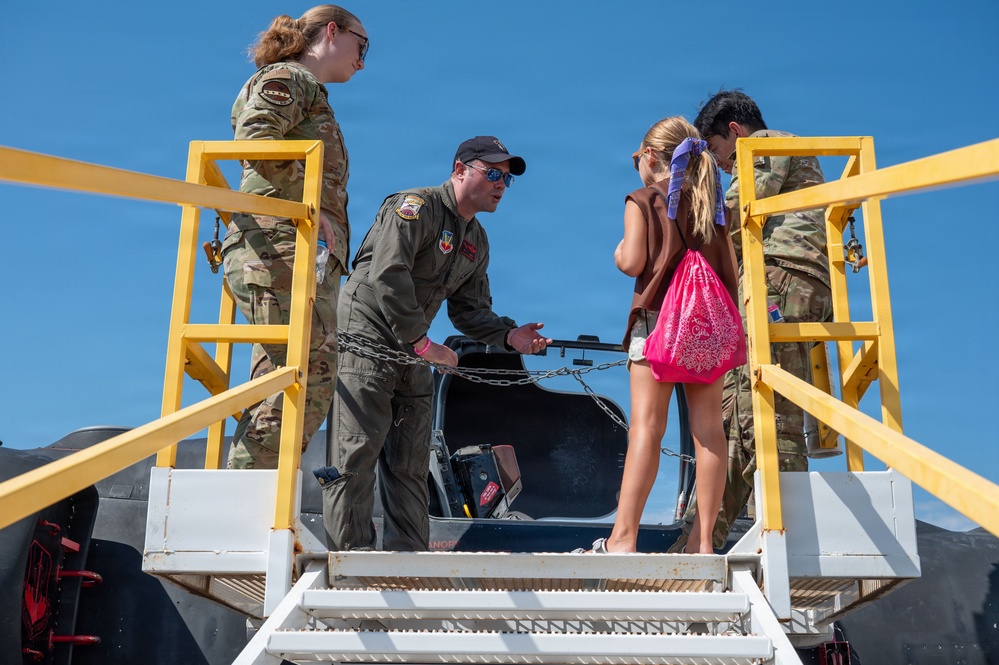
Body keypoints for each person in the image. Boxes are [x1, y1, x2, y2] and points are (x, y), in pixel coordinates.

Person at [319, 136, 553, 552]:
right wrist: (424, 346)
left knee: (410, 460)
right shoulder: (417, 207)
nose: (501, 184)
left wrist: (508, 335)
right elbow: (387, 275)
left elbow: (470, 311)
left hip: (412, 347)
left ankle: (407, 560)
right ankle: (349, 562)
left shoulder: (476, 241)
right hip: (369, 336)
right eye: (493, 173)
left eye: (506, 179)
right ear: (460, 170)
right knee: (356, 454)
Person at [673, 90, 833, 551]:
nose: (723, 167)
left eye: (720, 154)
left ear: (736, 133)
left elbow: (732, 217)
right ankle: (699, 541)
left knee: (766, 410)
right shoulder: (775, 148)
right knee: (741, 415)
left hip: (780, 279)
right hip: (779, 281)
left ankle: (788, 535)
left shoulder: (762, 146)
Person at [222, 5, 368, 469]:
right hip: (279, 249)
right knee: (303, 382)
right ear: (332, 31)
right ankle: (242, 495)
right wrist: (306, 205)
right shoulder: (290, 78)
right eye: (361, 46)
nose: (362, 61)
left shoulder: (308, 89)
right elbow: (255, 138)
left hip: (290, 253)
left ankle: (252, 499)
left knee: (291, 380)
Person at [583, 116, 738, 555]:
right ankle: (703, 543)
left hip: (656, 326)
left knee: (647, 428)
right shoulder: (713, 205)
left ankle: (624, 538)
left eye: (637, 158)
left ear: (650, 156)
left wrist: (617, 251)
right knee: (709, 430)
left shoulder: (644, 199)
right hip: (705, 329)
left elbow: (632, 262)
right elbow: (730, 270)